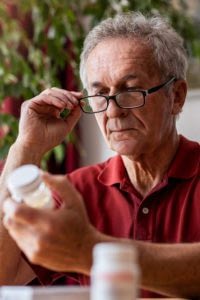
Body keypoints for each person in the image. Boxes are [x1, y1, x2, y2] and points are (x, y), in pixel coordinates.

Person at [0, 11, 200, 298]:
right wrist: (26, 147)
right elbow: (3, 272)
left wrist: (89, 250)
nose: (113, 110)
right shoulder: (75, 192)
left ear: (176, 96)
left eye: (130, 90)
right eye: (100, 94)